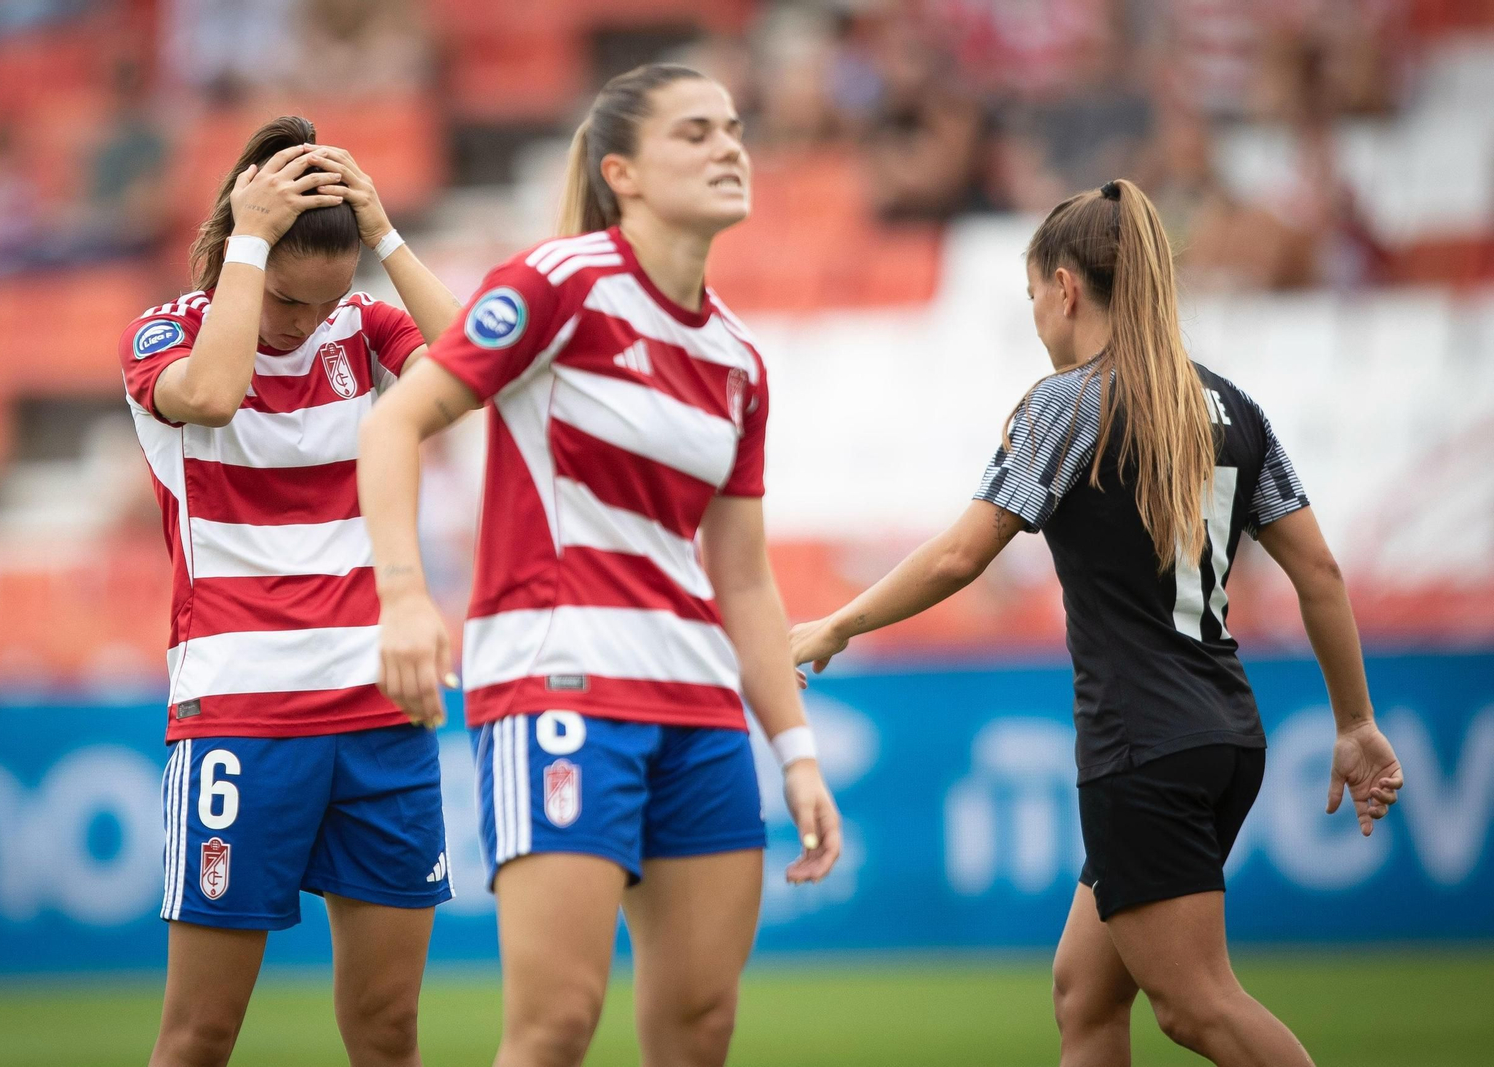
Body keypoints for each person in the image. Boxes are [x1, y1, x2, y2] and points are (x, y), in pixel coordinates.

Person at [789, 178, 1404, 1067]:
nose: (1037, 316)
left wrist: (834, 626)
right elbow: (1320, 571)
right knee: (1086, 991)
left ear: (1065, 287)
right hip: (1225, 734)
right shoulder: (1233, 406)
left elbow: (962, 555)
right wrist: (1354, 720)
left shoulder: (1067, 403)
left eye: (1032, 295)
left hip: (1141, 743)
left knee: (1197, 1006)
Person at [357, 64, 843, 1067]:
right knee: (555, 1026)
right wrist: (403, 597)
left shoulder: (739, 359)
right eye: (695, 132)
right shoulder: (558, 284)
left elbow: (744, 579)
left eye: (733, 128)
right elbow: (394, 422)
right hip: (559, 682)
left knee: (700, 1029)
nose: (728, 147)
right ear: (621, 172)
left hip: (699, 707)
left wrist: (795, 752)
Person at [117, 115, 462, 1067]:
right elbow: (214, 394)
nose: (305, 322)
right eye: (284, 298)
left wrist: (384, 233)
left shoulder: (366, 328)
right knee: (200, 1033)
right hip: (243, 714)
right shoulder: (164, 336)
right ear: (244, 252)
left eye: (326, 300)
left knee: (389, 1029)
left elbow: (480, 374)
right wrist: (250, 243)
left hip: (382, 710)